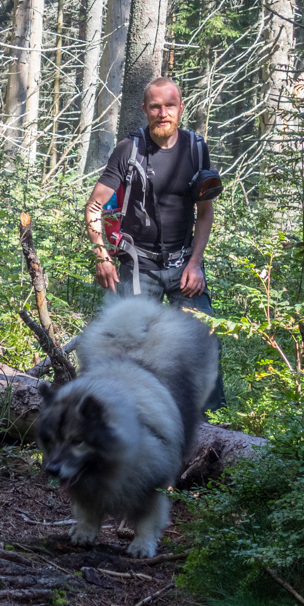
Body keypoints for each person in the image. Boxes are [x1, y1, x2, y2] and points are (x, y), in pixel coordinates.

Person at [83, 76, 226, 411]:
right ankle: (126, 413)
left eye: (170, 106)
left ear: (181, 108)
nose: (164, 113)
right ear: (145, 110)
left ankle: (205, 426)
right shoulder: (128, 150)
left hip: (183, 265)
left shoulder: (195, 148)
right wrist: (102, 256)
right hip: (138, 265)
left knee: (203, 338)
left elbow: (204, 213)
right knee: (128, 344)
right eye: (156, 107)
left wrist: (195, 263)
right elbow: (93, 207)